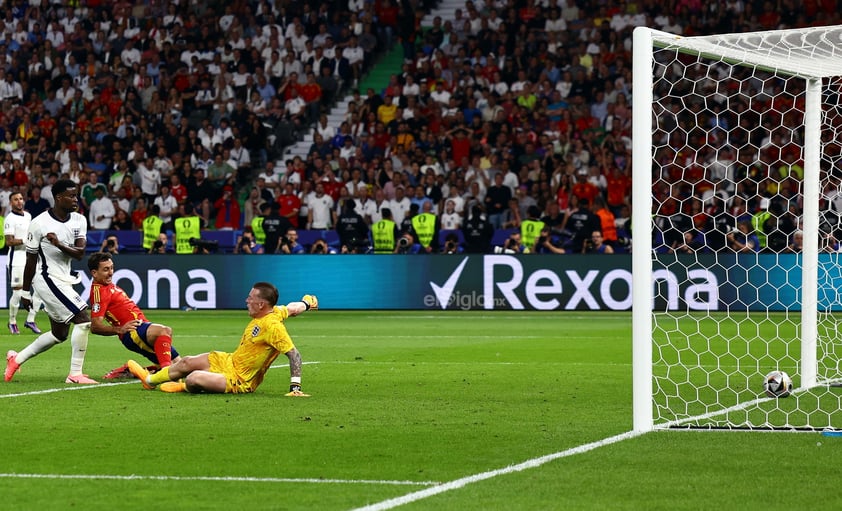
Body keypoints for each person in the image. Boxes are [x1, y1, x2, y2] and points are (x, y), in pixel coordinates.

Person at [127, 283, 317, 395]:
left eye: (250, 298)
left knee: (194, 378)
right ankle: (150, 380)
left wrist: (295, 387)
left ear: (261, 304)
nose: (246, 301)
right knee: (186, 362)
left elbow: (294, 355)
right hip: (230, 361)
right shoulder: (275, 311)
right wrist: (306, 303)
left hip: (239, 379)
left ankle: (183, 386)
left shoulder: (273, 327)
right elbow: (292, 308)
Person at [5, 179, 95, 384]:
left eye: (76, 195)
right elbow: (30, 259)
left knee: (59, 333)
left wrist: (59, 243)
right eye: (71, 196)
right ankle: (75, 374)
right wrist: (26, 292)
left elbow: (80, 253)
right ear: (58, 198)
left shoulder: (79, 220)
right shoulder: (38, 223)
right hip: (46, 278)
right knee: (83, 319)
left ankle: (15, 359)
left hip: (65, 278)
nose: (76, 199)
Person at [87, 252, 181, 379]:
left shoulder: (108, 285)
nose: (110, 273)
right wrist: (120, 329)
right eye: (105, 269)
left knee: (180, 366)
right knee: (164, 330)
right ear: (94, 273)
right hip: (133, 332)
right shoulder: (99, 292)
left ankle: (131, 370)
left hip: (142, 327)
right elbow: (95, 326)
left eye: (111, 268)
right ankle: (164, 376)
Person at [4, 191, 44, 334]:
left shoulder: (28, 216)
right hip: (17, 259)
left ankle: (30, 320)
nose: (19, 201)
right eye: (16, 199)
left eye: (21, 199)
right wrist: (25, 241)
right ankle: (13, 322)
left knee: (40, 289)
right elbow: (9, 242)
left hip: (31, 258)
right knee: (18, 292)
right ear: (11, 203)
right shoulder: (9, 219)